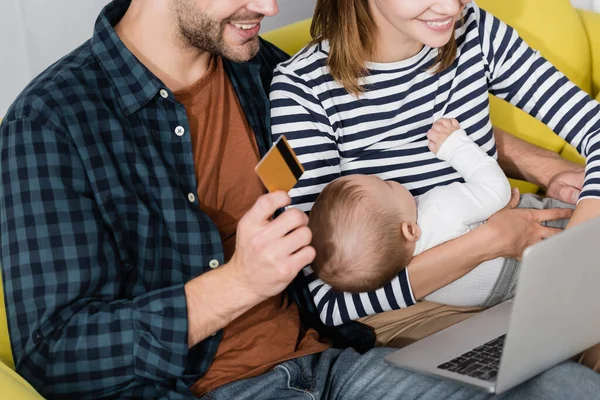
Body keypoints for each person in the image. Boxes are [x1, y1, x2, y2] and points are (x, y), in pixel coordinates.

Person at [1, 0, 600, 399]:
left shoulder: (256, 68)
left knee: (571, 389)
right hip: (214, 388)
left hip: (336, 360)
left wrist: (537, 161)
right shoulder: (51, 124)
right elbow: (54, 353)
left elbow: (389, 122)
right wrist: (238, 284)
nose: (269, 5)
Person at [270, 0, 600, 347]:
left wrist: (568, 262)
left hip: (528, 264)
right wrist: (488, 242)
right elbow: (323, 301)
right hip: (414, 307)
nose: (452, 6)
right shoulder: (302, 90)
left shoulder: (473, 29)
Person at [308, 119, 571, 309]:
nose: (386, 179)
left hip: (499, 295)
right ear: (410, 229)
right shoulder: (439, 208)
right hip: (540, 235)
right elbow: (497, 190)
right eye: (386, 186)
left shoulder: (403, 267)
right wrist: (455, 146)